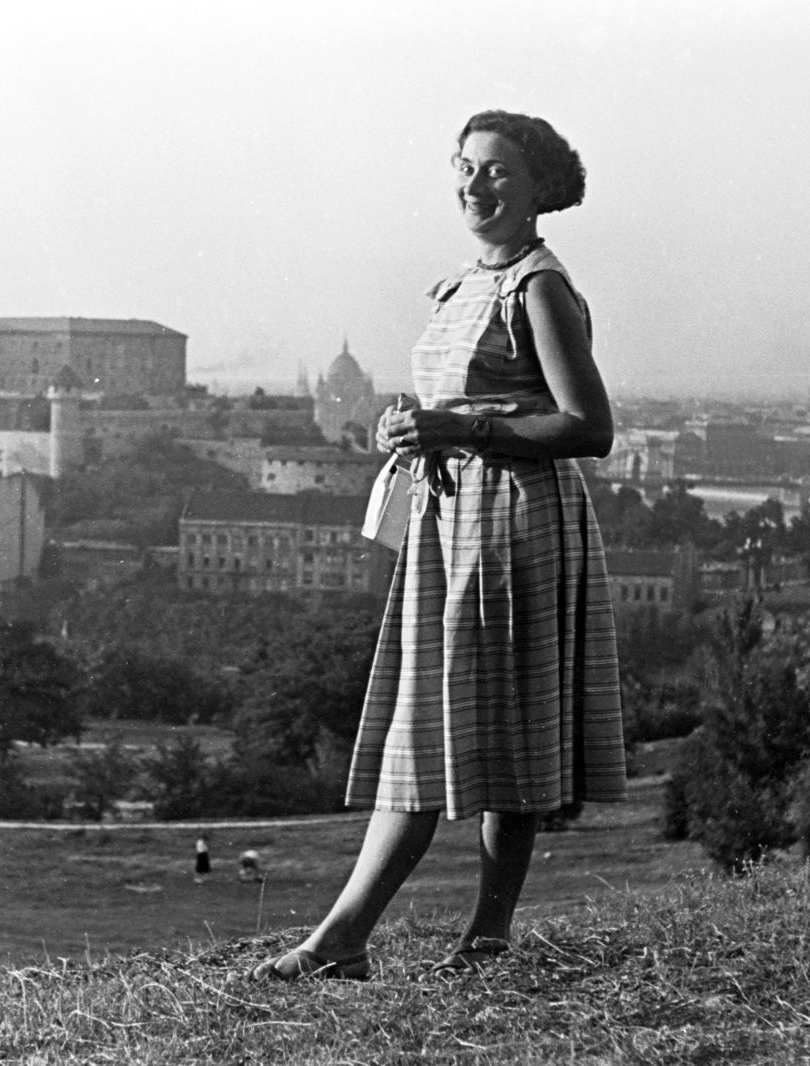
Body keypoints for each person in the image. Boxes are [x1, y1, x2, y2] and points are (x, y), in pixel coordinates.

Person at [252, 110, 624, 982]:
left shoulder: (537, 287)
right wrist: (405, 426)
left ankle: (374, 938)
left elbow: (588, 426)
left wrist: (459, 426)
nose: (474, 185)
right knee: (449, 725)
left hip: (516, 524)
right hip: (452, 524)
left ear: (539, 186)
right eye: (464, 168)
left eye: (497, 171)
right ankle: (405, 938)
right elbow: (455, 402)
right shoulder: (462, 287)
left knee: (488, 733)